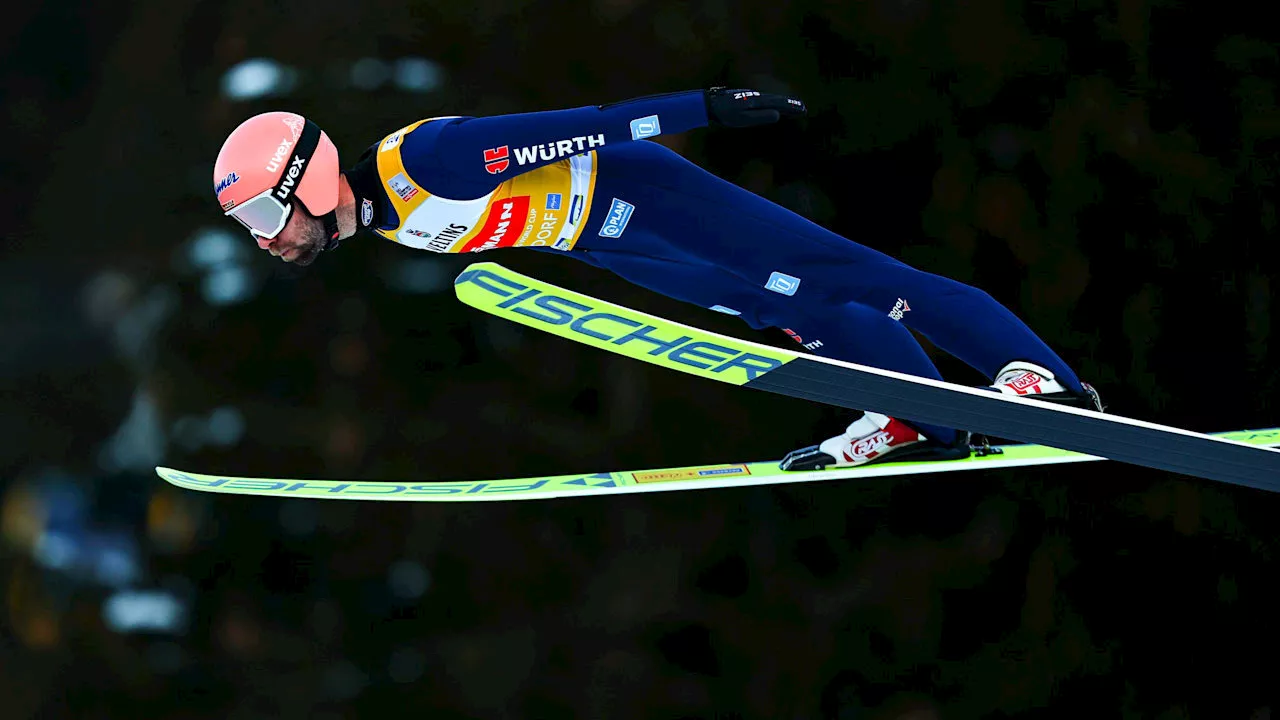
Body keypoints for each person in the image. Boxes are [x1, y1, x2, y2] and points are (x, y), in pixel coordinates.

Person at [212, 87, 1101, 470]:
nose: (265, 241)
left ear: (306, 182)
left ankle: (1040, 380)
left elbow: (585, 126)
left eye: (262, 217)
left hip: (651, 196)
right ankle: (922, 410)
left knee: (851, 277)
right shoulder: (388, 217)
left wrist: (705, 108)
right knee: (782, 312)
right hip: (613, 244)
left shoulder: (430, 161)